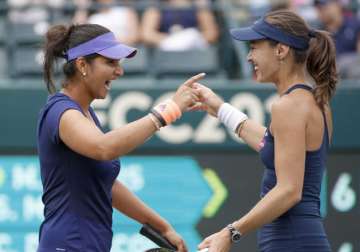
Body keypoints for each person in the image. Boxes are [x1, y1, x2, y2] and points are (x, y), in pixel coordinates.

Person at [37, 23, 204, 252]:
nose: (119, 71)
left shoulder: (86, 113)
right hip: (68, 244)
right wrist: (169, 110)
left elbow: (105, 184)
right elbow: (104, 148)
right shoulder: (61, 112)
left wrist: (162, 227)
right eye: (110, 62)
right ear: (82, 65)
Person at [195, 9, 337, 252]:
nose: (249, 57)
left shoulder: (288, 107)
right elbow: (274, 144)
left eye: (254, 47)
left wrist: (230, 233)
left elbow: (289, 191)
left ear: (281, 50)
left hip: (292, 243)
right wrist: (221, 110)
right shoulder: (315, 102)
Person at [142, 0, 219, 51]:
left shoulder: (199, 7)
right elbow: (147, 34)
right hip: (166, 49)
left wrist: (189, 41)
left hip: (194, 48)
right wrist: (173, 40)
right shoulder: (156, 8)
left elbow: (211, 33)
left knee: (192, 34)